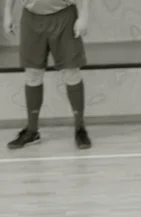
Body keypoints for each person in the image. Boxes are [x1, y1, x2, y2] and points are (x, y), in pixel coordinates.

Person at [3, 0, 92, 150]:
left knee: (71, 72)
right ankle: (32, 131)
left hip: (64, 16)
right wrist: (7, 13)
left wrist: (84, 16)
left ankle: (80, 128)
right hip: (31, 18)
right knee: (32, 73)